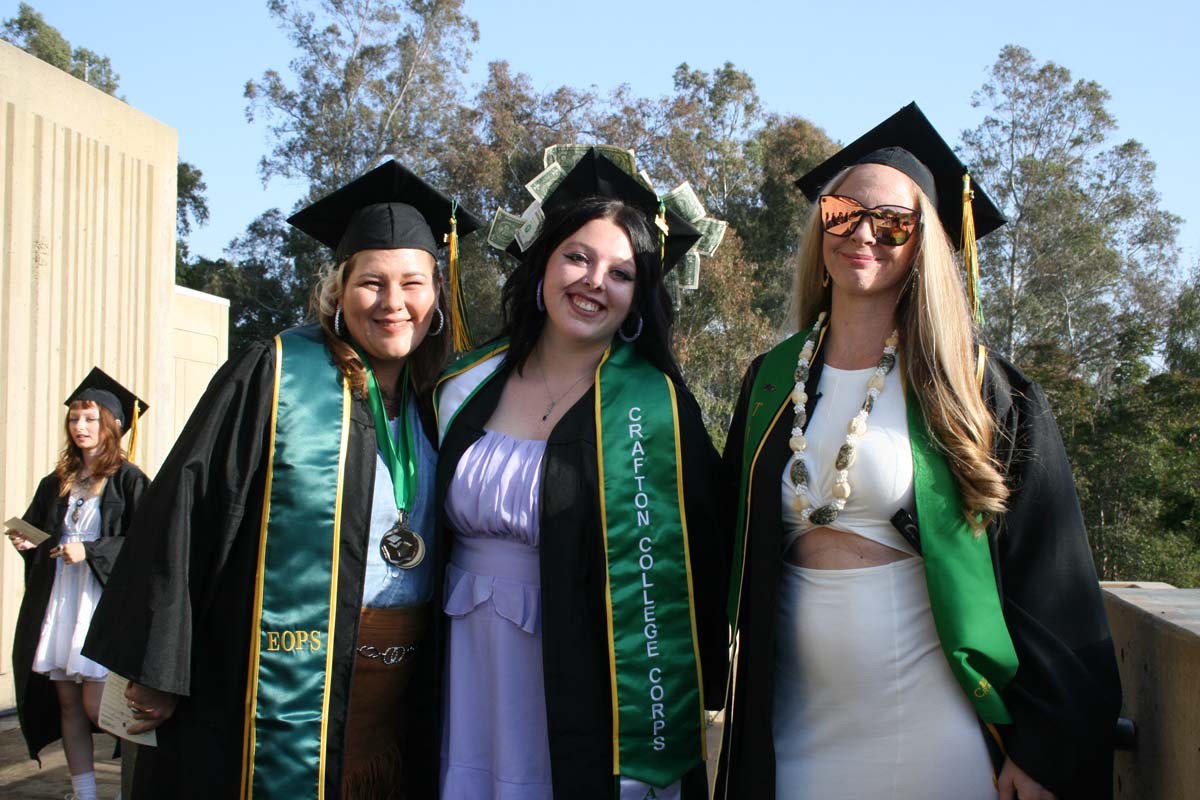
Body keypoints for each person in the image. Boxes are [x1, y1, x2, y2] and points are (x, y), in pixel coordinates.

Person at [714, 103, 1122, 800]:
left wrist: (1045, 748)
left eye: (892, 222)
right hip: (789, 714)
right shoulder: (771, 381)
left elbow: (1050, 579)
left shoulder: (975, 388)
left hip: (926, 722)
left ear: (924, 242)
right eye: (843, 212)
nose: (862, 233)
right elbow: (718, 538)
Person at [81, 160, 481, 799]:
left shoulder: (445, 399)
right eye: (370, 283)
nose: (393, 303)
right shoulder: (275, 376)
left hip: (402, 693)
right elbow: (188, 506)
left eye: (413, 282)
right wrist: (156, 664)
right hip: (283, 681)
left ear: (437, 293)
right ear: (338, 290)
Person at [433, 147, 729, 799]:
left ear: (638, 298)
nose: (594, 281)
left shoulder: (654, 410)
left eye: (621, 273)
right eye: (577, 256)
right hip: (461, 661)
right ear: (542, 263)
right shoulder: (461, 387)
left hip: (583, 670)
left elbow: (703, 556)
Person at [8, 368, 149, 800]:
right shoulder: (57, 482)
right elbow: (40, 532)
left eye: (90, 418)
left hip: (100, 603)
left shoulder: (129, 480)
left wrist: (90, 551)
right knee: (68, 704)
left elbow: (148, 544)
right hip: (60, 601)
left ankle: (141, 784)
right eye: (74, 419)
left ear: (113, 425)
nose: (81, 427)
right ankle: (84, 793)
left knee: (97, 706)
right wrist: (25, 540)